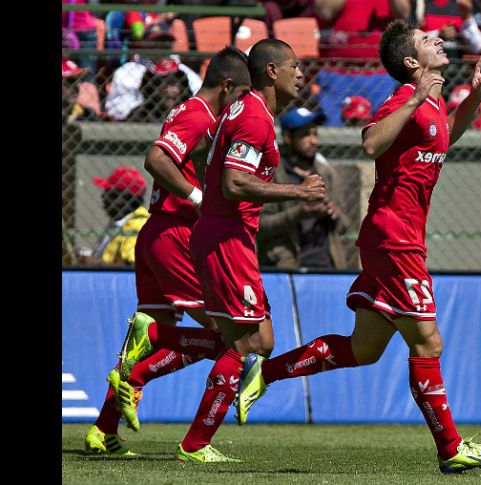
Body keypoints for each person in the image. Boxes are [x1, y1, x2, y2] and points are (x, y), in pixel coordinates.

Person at [236, 19, 481, 474]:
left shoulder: (433, 105)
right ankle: (450, 449)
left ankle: (263, 373)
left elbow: (443, 138)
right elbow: (370, 142)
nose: (439, 40)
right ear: (411, 63)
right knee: (428, 343)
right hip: (393, 235)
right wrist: (418, 97)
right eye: (427, 41)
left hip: (397, 235)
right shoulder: (407, 97)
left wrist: (476, 97)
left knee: (364, 350)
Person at [114, 38, 326, 463]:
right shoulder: (254, 117)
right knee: (243, 342)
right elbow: (233, 183)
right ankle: (192, 434)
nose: (301, 75)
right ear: (271, 72)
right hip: (225, 237)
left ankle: (149, 358)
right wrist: (297, 190)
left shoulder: (246, 112)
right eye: (294, 66)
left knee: (260, 339)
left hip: (228, 236)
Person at [84, 46, 253, 456]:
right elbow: (157, 158)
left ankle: (102, 431)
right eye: (243, 94)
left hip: (157, 231)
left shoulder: (186, 112)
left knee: (165, 341)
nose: (245, 104)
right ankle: (147, 373)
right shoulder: (199, 115)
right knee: (225, 334)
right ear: (228, 86)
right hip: (176, 232)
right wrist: (198, 197)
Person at [258, 107, 354, 269]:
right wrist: (298, 214)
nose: (313, 141)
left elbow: (345, 226)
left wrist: (334, 212)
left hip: (327, 266)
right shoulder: (274, 174)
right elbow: (260, 225)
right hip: (287, 266)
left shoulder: (325, 172)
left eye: (315, 134)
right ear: (288, 137)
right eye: (305, 135)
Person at [105, 31, 202, 121]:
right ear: (145, 46)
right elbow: (118, 110)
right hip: (140, 121)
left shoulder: (182, 70)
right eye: (157, 43)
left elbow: (198, 94)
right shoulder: (128, 71)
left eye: (167, 44)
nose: (163, 48)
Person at [81, 166, 150, 267]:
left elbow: (134, 267)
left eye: (109, 193)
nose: (103, 197)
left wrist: (98, 264)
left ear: (127, 199)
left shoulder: (139, 224)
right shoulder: (119, 221)